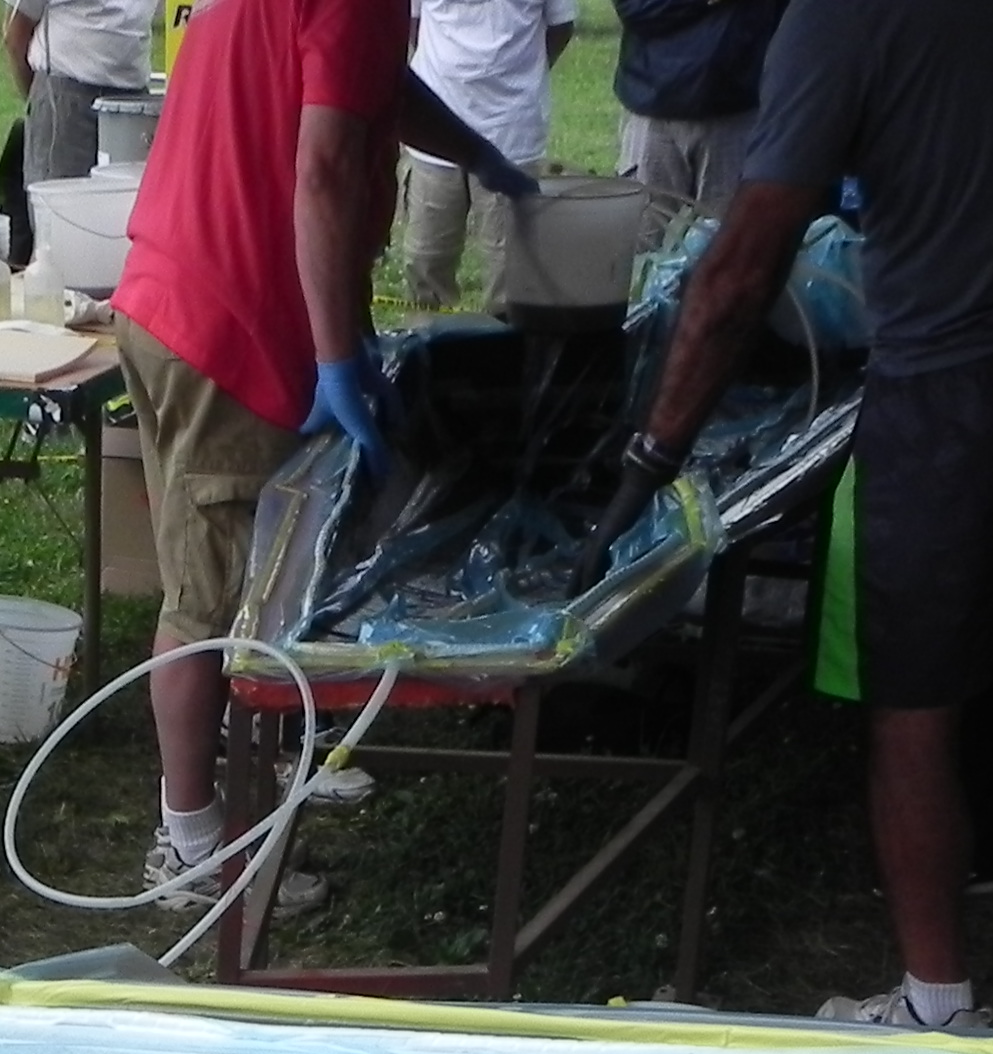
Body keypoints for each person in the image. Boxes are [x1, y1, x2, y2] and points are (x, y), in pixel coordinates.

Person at [589, 0, 993, 1029]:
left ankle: (938, 1000)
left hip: (948, 382)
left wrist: (654, 451)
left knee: (916, 702)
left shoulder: (843, 15)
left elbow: (746, 262)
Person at [108, 0, 539, 912]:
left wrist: (477, 153)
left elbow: (370, 88)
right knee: (215, 603)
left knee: (244, 580)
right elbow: (326, 166)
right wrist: (336, 355)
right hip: (230, 324)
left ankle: (269, 769)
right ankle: (192, 851)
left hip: (173, 292)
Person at [399, 0, 574, 312]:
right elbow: (410, 21)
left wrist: (520, 77)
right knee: (426, 263)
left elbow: (561, 25)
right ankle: (428, 339)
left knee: (512, 273)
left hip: (512, 134)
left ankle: (506, 341)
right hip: (433, 137)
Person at [612, 0, 788, 224]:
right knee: (641, 235)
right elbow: (635, 7)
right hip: (653, 108)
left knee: (728, 235)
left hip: (737, 112)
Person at [6, 0, 155, 186]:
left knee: (128, 198)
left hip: (133, 100)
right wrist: (42, 100)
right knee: (60, 197)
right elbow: (16, 33)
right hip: (65, 94)